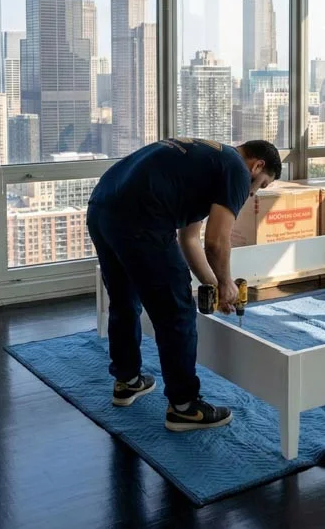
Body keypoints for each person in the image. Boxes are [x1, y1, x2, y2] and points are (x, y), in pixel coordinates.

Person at [87, 137, 281, 432]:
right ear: (258, 166)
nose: (254, 192)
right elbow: (216, 242)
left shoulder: (207, 160)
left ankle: (127, 381)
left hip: (103, 207)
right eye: (262, 184)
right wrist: (227, 283)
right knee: (177, 312)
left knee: (125, 298)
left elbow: (189, 238)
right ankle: (184, 406)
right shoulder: (237, 172)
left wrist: (214, 284)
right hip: (142, 219)